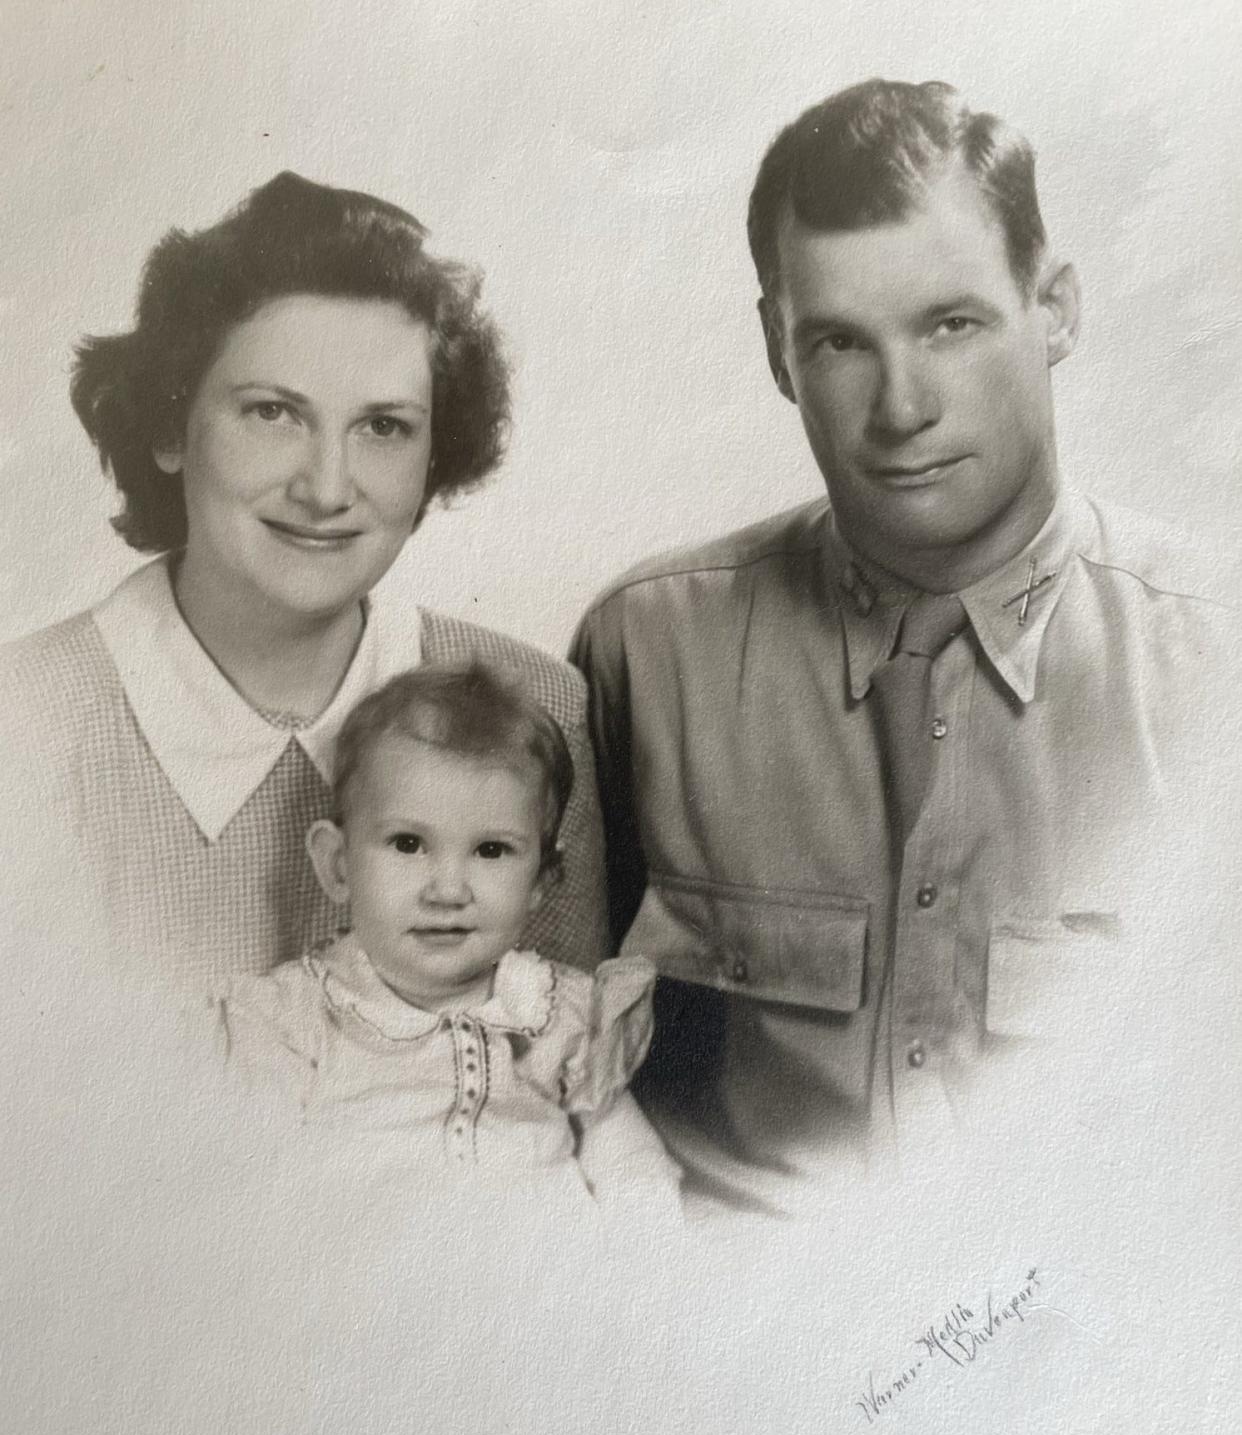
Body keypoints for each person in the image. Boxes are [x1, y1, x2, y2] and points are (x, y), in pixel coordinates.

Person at [570, 79, 1239, 1207]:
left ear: (1058, 308)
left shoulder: (1217, 666)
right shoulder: (645, 649)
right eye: (839, 341)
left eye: (952, 323)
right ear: (779, 353)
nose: (902, 405)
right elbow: (540, 1065)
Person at [0, 172, 605, 978]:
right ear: (168, 428)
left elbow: (560, 1072)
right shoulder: (23, 727)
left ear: (434, 457)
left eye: (385, 427)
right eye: (272, 413)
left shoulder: (540, 706)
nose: (326, 488)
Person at [217, 663, 681, 1210]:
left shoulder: (564, 1014)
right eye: (408, 843)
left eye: (490, 851)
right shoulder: (292, 1020)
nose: (447, 890)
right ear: (339, 866)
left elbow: (626, 1160)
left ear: (541, 881)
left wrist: (643, 1244)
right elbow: (248, 1178)